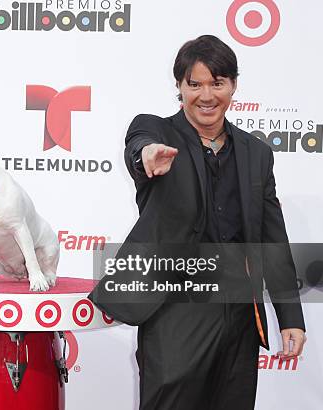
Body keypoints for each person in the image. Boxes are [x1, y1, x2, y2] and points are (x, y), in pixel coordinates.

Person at [88, 35, 306, 410]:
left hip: (239, 313)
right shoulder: (156, 130)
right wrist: (146, 156)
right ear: (179, 87)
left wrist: (291, 316)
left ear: (234, 85)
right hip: (175, 308)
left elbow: (272, 237)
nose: (207, 95)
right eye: (195, 84)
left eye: (217, 83)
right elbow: (139, 144)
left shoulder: (257, 154)